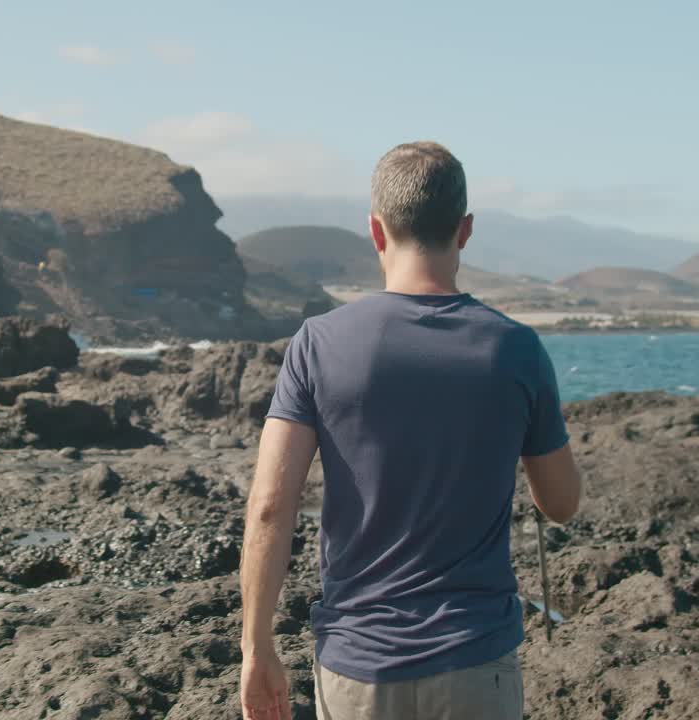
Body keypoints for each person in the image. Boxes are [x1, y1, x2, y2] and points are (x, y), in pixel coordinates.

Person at [238, 141, 583, 720]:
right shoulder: (516, 349)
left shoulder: (317, 344)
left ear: (376, 231)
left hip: (356, 667)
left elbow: (271, 505)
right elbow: (562, 504)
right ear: (465, 230)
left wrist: (257, 647)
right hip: (477, 664)